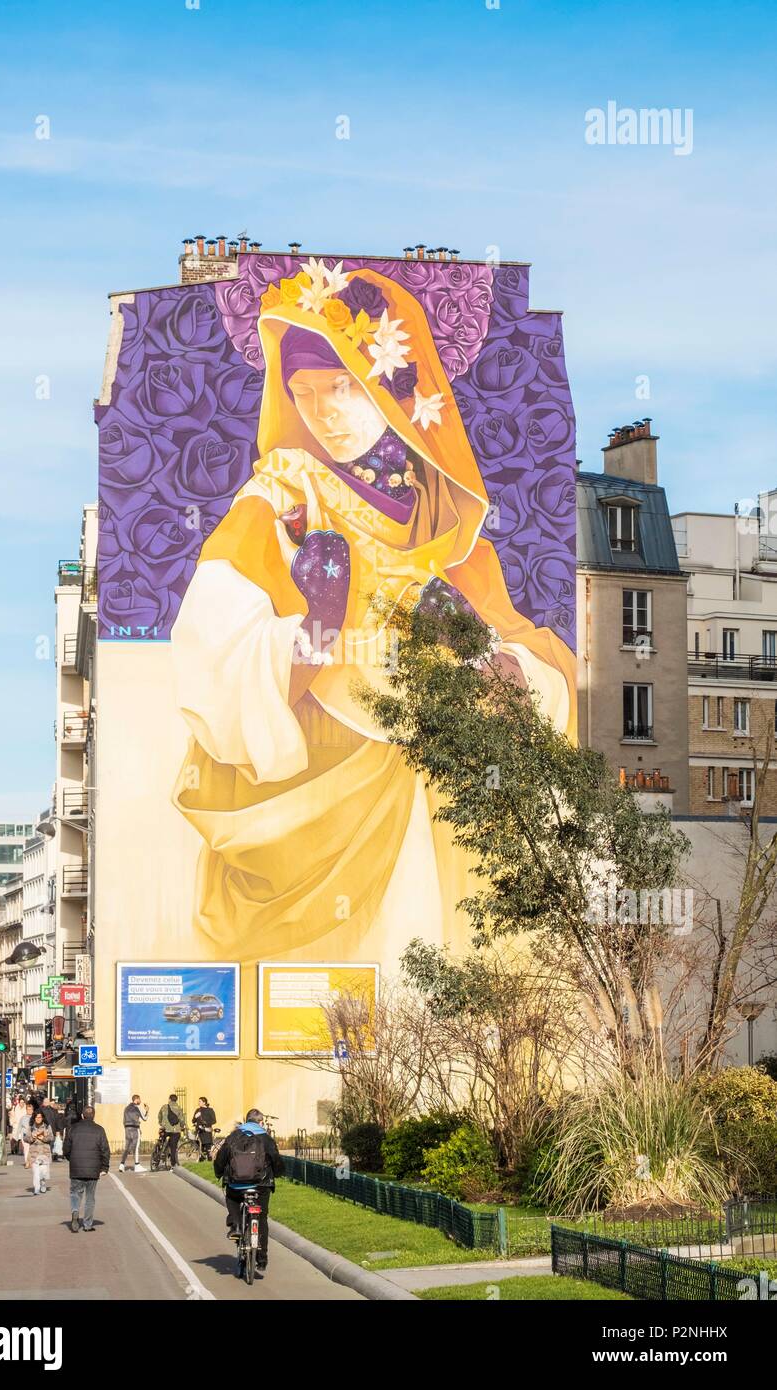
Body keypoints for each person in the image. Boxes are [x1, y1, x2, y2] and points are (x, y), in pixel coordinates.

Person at [171, 265, 576, 966]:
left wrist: (514, 676)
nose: (322, 411)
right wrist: (314, 631)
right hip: (320, 807)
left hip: (443, 809)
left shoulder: (449, 533)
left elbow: (531, 656)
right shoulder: (281, 500)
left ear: (391, 385)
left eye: (341, 387)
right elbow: (212, 648)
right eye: (304, 392)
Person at [213, 1108, 284, 1271]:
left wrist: (218, 1172)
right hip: (261, 1185)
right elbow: (276, 1159)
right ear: (260, 1122)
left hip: (236, 1184)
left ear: (247, 1120)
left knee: (231, 1198)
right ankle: (262, 1258)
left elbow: (221, 1158)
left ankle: (236, 1225)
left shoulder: (233, 1136)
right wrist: (278, 1173)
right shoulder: (266, 1139)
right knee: (262, 1218)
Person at [63, 1104, 110, 1232]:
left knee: (75, 1194)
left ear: (83, 1115)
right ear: (93, 1116)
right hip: (93, 1169)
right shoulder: (99, 1130)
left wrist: (72, 1159)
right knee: (90, 1198)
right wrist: (104, 1167)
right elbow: (105, 1150)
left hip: (76, 1168)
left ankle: (75, 1211)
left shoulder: (73, 1128)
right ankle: (88, 1224)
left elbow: (66, 1148)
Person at [157, 1093, 188, 1168]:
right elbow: (182, 1120)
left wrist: (161, 1123)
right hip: (175, 1130)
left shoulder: (164, 1107)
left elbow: (159, 1116)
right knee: (173, 1147)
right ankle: (173, 1164)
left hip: (165, 1129)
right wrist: (182, 1126)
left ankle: (157, 1154)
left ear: (169, 1099)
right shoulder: (179, 1108)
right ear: (176, 1100)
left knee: (161, 1141)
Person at [26, 1109, 53, 1195]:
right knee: (36, 1173)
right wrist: (32, 1138)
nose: (38, 1119)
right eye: (36, 1117)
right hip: (34, 1153)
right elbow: (25, 1138)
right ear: (34, 1118)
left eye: (40, 1117)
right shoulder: (30, 1127)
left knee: (43, 1172)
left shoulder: (47, 1126)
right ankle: (36, 1189)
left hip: (44, 1152)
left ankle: (43, 1184)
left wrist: (44, 1138)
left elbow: (51, 1137)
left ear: (42, 1118)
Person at [119, 1094, 148, 1172]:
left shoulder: (126, 1108)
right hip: (135, 1128)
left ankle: (121, 1165)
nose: (140, 1101)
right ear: (136, 1099)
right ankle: (137, 1165)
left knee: (127, 1147)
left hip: (127, 1128)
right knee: (136, 1147)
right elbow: (144, 1118)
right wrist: (147, 1110)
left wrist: (126, 1127)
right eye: (139, 1099)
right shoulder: (137, 1108)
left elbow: (124, 1120)